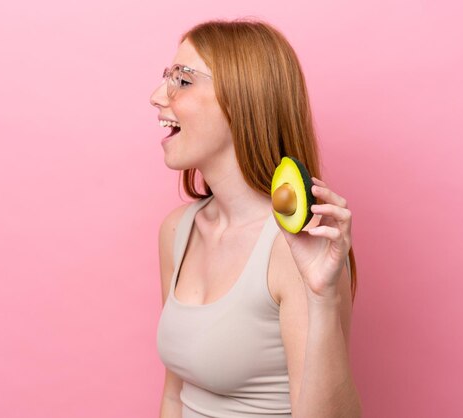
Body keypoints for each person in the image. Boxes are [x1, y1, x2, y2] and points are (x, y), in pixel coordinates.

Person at [149, 18, 361, 418]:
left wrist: (322, 299)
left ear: (242, 99)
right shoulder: (177, 230)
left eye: (182, 79)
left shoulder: (297, 247)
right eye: (166, 77)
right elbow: (175, 396)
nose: (157, 96)